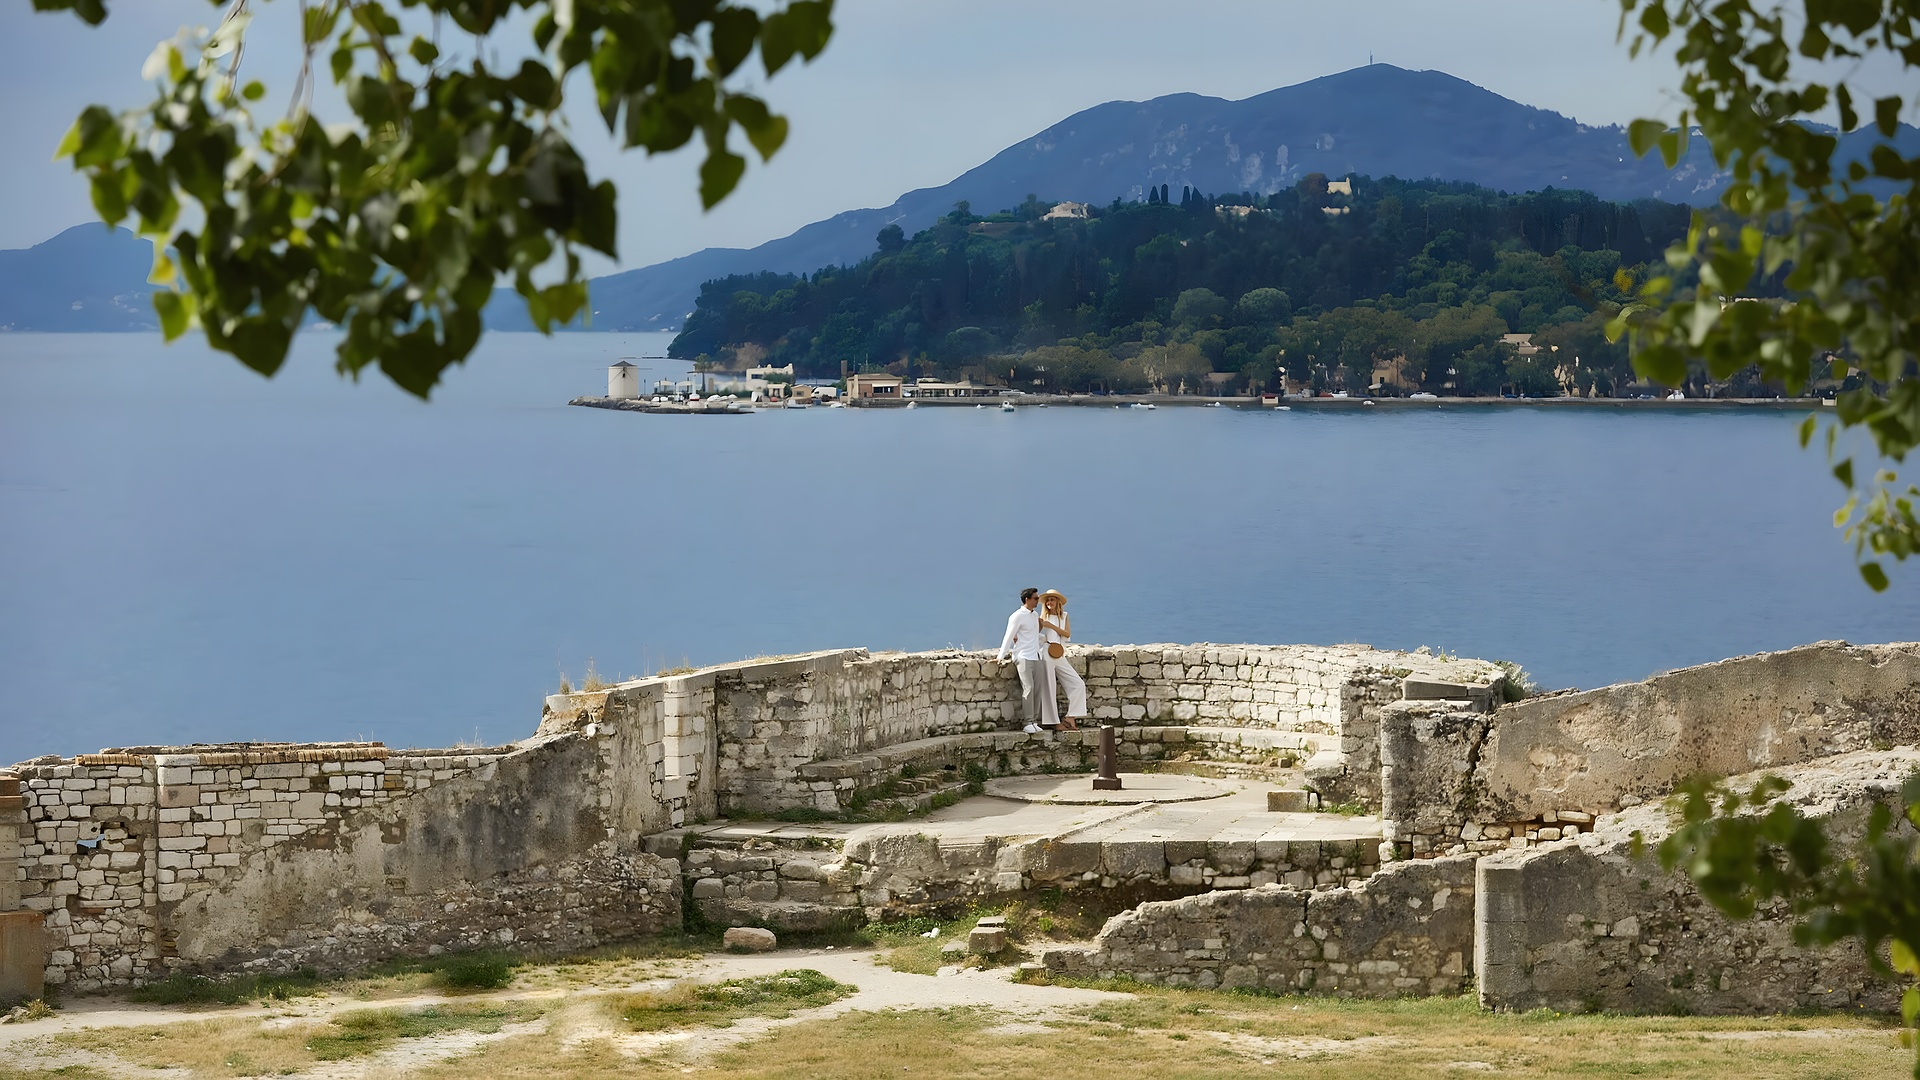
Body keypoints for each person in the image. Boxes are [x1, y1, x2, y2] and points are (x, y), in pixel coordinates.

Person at [994, 587, 1047, 734]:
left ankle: (1034, 721)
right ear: (1027, 600)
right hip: (1023, 656)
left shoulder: (1035, 615)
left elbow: (1034, 635)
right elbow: (1009, 636)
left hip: (1036, 656)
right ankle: (1027, 721)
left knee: (1038, 689)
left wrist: (1047, 641)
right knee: (1028, 688)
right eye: (1036, 598)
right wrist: (1001, 656)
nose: (1038, 601)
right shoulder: (1017, 616)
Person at [1038, 589, 1087, 731]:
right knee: (1049, 687)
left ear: (1057, 602)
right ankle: (1053, 721)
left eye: (1052, 599)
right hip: (1047, 652)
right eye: (1047, 600)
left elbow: (1067, 633)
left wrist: (1050, 626)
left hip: (1059, 653)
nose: (1049, 602)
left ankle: (1070, 716)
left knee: (1078, 684)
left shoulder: (1064, 616)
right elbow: (1035, 633)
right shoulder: (1042, 617)